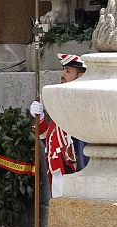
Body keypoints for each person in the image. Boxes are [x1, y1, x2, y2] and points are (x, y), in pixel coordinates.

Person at [29, 54, 89, 198]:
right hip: (57, 170)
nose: (62, 75)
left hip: (74, 172)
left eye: (68, 71)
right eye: (63, 70)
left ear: (80, 76)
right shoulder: (62, 101)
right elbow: (48, 139)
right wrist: (41, 118)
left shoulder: (84, 103)